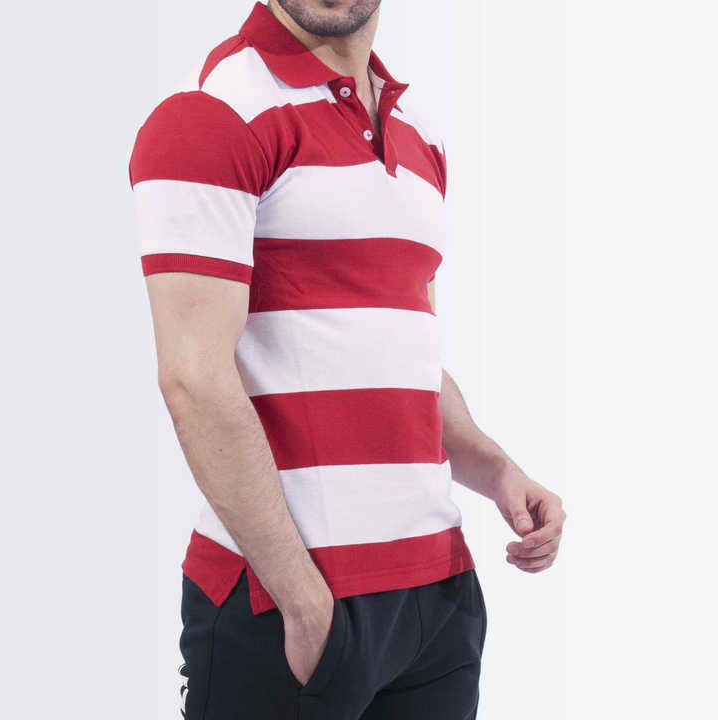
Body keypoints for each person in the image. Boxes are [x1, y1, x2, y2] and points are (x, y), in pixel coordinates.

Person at [128, 1, 566, 718]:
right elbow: (193, 378)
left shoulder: (419, 132)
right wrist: (302, 602)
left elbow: (400, 351)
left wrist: (497, 472)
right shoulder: (212, 113)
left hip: (437, 596)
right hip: (286, 602)